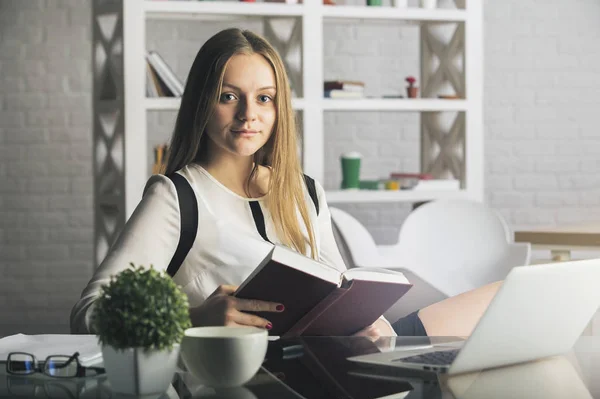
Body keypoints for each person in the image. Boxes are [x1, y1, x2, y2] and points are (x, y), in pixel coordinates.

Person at [70, 28, 501, 338]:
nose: (248, 115)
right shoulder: (177, 197)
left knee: (508, 304)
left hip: (350, 351)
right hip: (271, 375)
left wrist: (367, 318)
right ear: (203, 102)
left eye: (264, 98)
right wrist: (195, 319)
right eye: (228, 96)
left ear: (279, 110)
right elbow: (88, 314)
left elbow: (340, 285)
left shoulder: (304, 190)